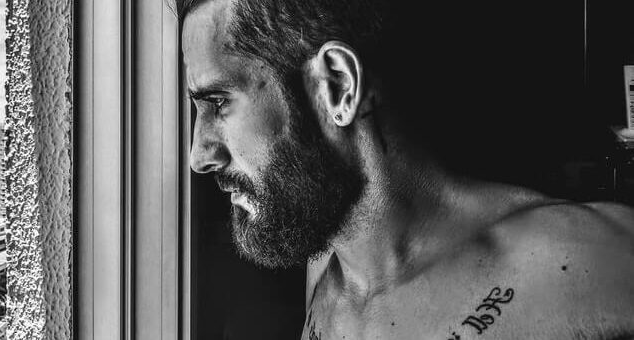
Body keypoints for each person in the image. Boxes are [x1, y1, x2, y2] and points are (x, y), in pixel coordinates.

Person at [180, 0, 634, 338]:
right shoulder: (328, 262)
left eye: (218, 103)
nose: (199, 155)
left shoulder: (581, 263)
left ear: (337, 85)